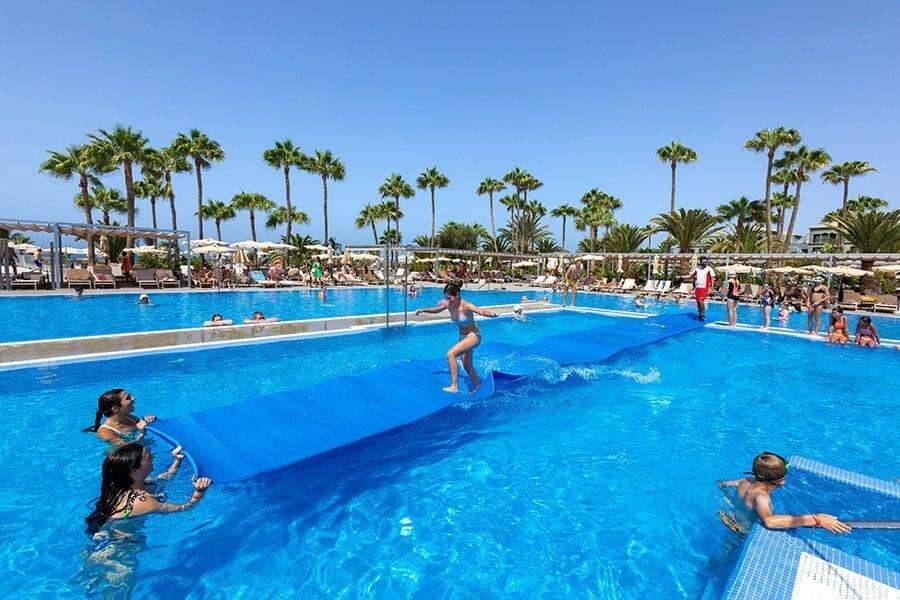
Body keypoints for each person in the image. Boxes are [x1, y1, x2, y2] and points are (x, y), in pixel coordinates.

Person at [85, 443, 212, 535]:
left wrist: (177, 460)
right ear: (134, 470)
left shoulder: (125, 485)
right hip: (116, 547)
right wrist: (199, 491)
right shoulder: (143, 502)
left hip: (106, 531)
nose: (153, 457)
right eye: (148, 456)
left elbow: (166, 477)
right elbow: (185, 508)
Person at [717, 452, 851, 535]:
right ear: (779, 482)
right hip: (742, 529)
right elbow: (769, 521)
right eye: (783, 478)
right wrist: (816, 519)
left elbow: (723, 484)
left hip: (733, 516)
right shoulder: (761, 498)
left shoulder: (745, 481)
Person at [414, 282, 499, 393]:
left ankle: (454, 386)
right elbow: (437, 309)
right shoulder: (449, 304)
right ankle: (478, 385)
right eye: (446, 298)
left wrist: (491, 314)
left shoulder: (466, 305)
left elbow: (481, 311)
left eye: (450, 298)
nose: (448, 300)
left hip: (473, 336)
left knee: (451, 354)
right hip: (463, 336)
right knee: (467, 365)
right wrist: (423, 310)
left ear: (457, 294)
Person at [84, 389, 156, 446]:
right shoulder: (105, 432)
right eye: (128, 398)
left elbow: (140, 423)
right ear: (115, 408)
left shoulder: (129, 417)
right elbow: (128, 448)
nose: (133, 398)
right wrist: (141, 431)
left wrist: (147, 420)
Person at [689, 257, 716, 321]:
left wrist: (711, 288)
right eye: (703, 262)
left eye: (705, 262)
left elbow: (713, 278)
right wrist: (680, 276)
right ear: (700, 262)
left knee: (700, 301)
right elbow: (691, 276)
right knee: (698, 302)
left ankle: (703, 315)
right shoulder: (697, 269)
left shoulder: (709, 269)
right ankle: (700, 315)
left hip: (704, 288)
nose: (704, 263)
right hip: (697, 287)